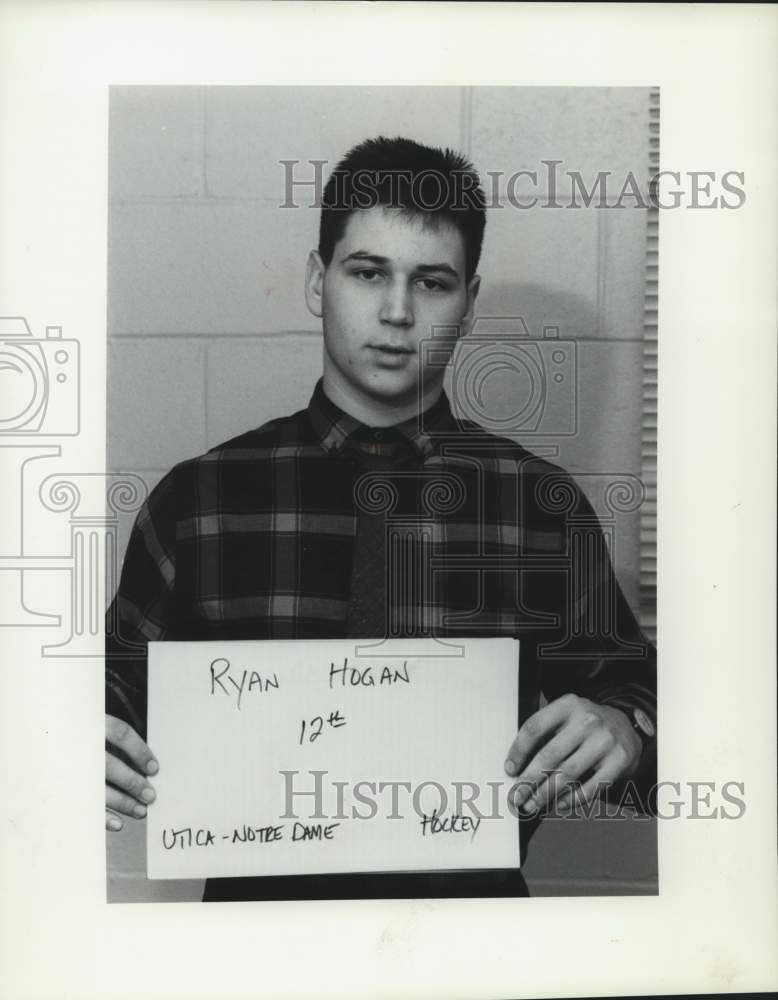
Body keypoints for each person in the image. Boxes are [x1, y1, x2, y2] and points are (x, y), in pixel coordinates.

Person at [105, 136, 656, 900]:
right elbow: (111, 694)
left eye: (431, 283)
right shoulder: (200, 501)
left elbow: (637, 699)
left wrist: (626, 727)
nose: (398, 313)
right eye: (368, 273)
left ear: (469, 303)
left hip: (473, 947)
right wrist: (75, 738)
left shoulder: (538, 504)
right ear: (316, 281)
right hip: (251, 956)